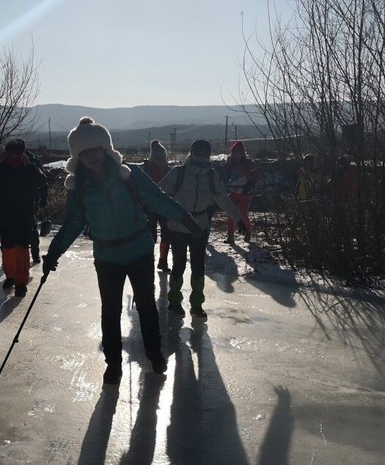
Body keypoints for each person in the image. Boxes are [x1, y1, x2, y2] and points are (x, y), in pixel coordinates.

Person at [42, 117, 201, 385]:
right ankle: (113, 363)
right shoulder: (79, 188)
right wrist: (54, 253)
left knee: (147, 305)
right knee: (110, 310)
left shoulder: (130, 175)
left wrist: (185, 218)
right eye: (84, 152)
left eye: (95, 150)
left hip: (139, 250)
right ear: (77, 157)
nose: (91, 156)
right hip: (107, 257)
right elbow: (72, 225)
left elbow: (158, 199)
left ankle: (153, 351)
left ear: (105, 149)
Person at [158, 140, 247, 319]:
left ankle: (194, 305)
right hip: (179, 225)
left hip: (198, 225)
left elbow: (224, 200)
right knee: (180, 264)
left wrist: (239, 219)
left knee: (196, 265)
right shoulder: (179, 173)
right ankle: (177, 302)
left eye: (202, 154)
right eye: (199, 153)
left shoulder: (210, 176)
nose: (200, 157)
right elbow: (158, 194)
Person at [0, 139, 47, 297]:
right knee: (8, 248)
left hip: (24, 215)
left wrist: (29, 164)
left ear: (23, 153)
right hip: (6, 214)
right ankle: (10, 276)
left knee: (22, 249)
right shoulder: (2, 167)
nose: (13, 157)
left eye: (17, 153)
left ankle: (21, 283)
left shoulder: (28, 167)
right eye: (10, 153)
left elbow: (41, 181)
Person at [140, 140, 173, 272]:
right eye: (158, 158)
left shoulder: (169, 170)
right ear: (152, 158)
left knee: (166, 234)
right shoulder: (146, 170)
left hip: (163, 207)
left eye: (162, 158)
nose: (160, 161)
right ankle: (151, 259)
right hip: (150, 207)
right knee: (151, 235)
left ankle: (162, 261)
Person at [219, 140, 257, 244]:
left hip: (244, 193)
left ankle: (248, 232)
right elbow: (223, 175)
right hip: (232, 192)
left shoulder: (248, 164)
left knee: (243, 214)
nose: (237, 155)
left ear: (242, 153)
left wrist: (250, 187)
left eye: (239, 152)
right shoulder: (229, 163)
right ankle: (230, 236)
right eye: (235, 152)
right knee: (231, 214)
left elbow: (254, 178)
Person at [24, 144, 49, 263]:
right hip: (23, 202)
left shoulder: (33, 163)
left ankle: (34, 254)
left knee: (31, 228)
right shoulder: (9, 161)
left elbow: (43, 182)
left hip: (31, 201)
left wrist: (43, 200)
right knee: (30, 229)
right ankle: (33, 255)